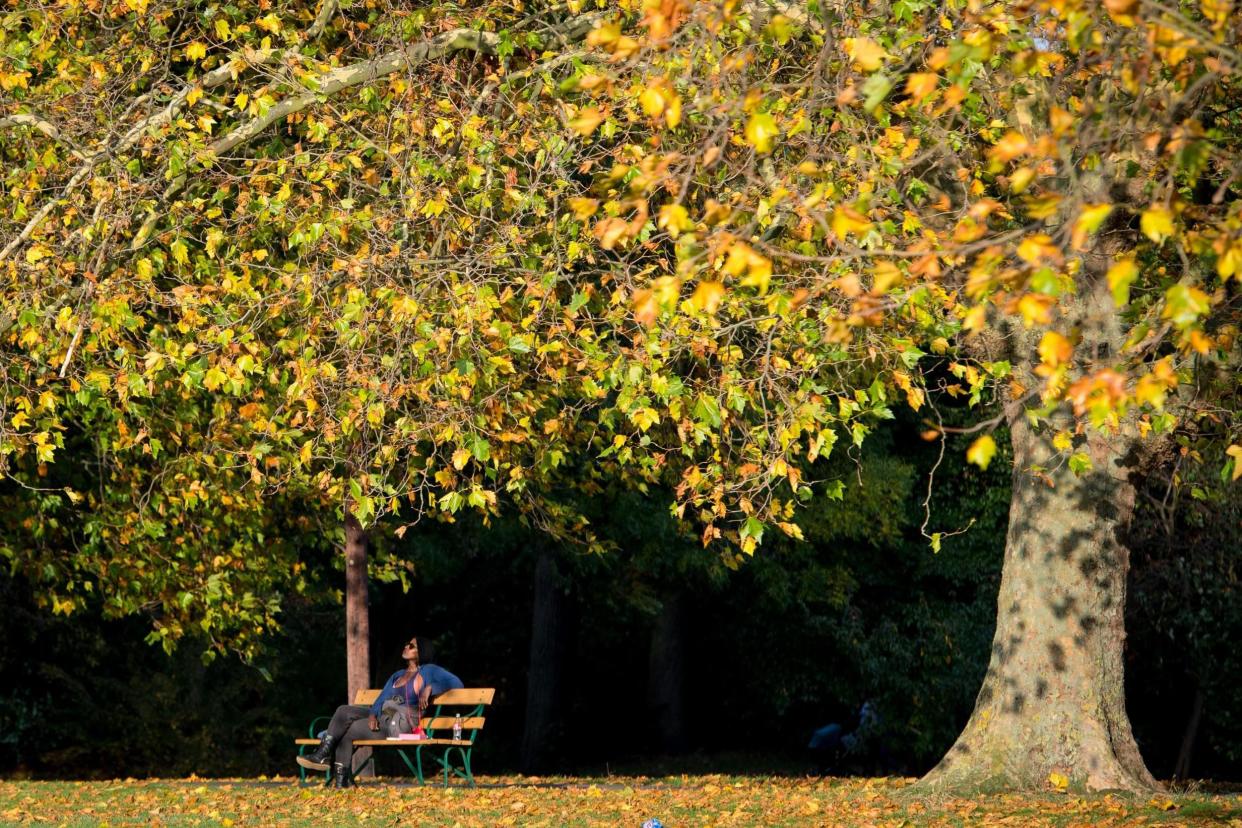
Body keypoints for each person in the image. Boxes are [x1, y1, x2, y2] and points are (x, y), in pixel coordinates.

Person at [297, 635, 464, 787]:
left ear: (422, 651)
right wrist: (371, 714)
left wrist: (430, 687)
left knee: (349, 730)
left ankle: (340, 783)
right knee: (343, 710)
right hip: (384, 714)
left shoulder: (430, 670)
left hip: (399, 724)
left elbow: (457, 683)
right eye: (406, 644)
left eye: (411, 646)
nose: (406, 647)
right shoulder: (398, 674)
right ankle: (323, 754)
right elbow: (381, 698)